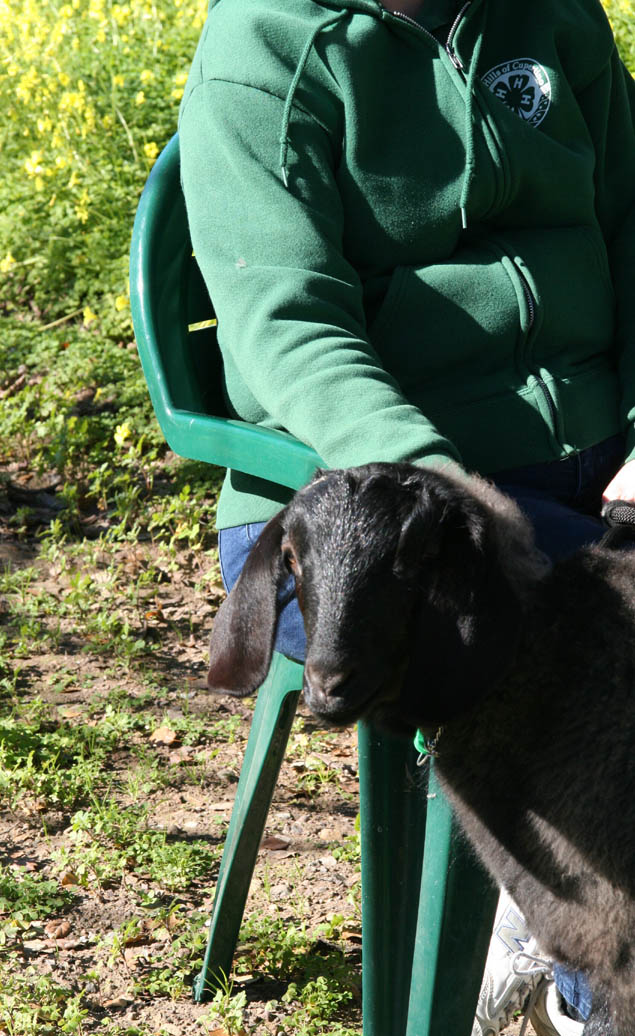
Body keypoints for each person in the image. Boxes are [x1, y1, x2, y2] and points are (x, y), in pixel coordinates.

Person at [178, 0, 635, 1030]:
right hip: (376, 515)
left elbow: (630, 223)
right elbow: (281, 317)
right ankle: (592, 984)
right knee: (591, 679)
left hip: (598, 463)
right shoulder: (264, 43)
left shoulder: (552, 16)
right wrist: (439, 487)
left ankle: (527, 920)